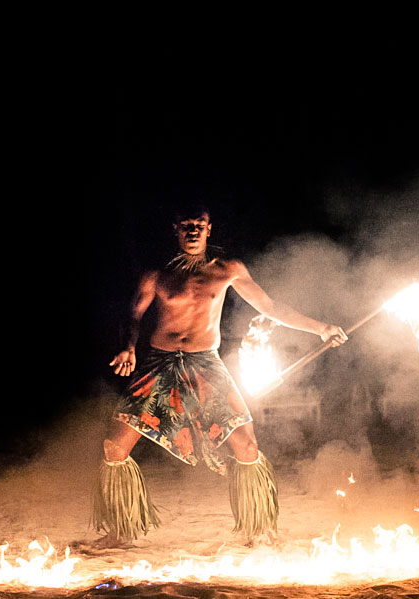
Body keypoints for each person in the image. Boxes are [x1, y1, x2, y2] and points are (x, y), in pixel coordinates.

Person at [93, 205, 347, 547]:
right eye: (187, 225)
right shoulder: (157, 274)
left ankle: (260, 529)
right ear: (176, 229)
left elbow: (270, 307)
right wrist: (129, 347)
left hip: (206, 365)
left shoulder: (227, 269)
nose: (193, 231)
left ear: (209, 229)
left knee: (247, 444)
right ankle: (118, 531)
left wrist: (322, 328)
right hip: (160, 365)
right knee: (114, 445)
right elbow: (134, 314)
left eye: (200, 225)